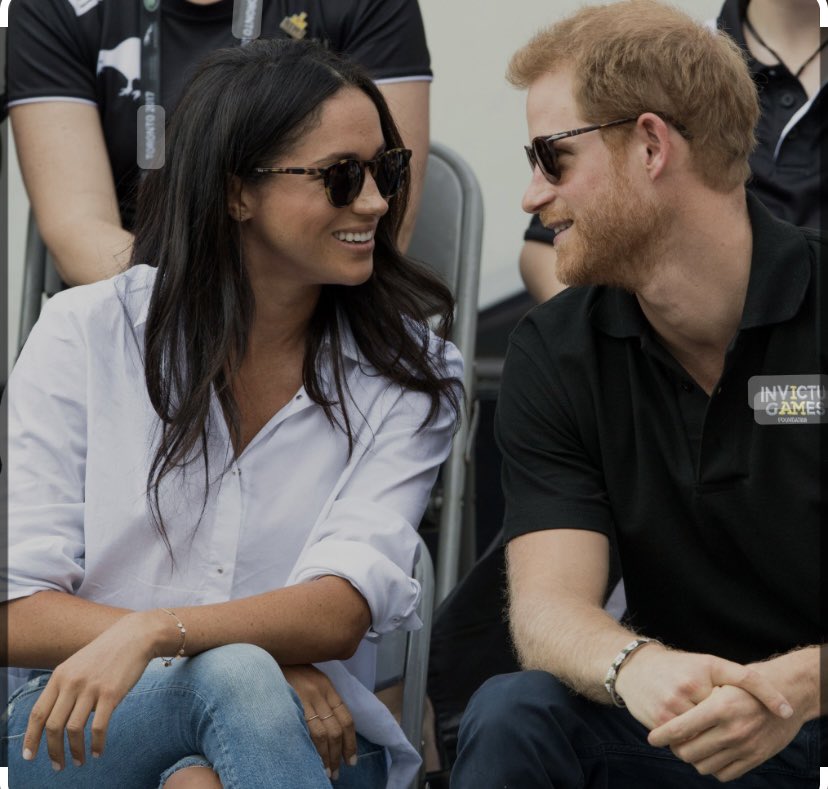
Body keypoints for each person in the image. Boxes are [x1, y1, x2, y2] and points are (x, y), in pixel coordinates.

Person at [1, 37, 461, 789]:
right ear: (235, 193)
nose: (375, 202)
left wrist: (163, 633)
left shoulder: (411, 374)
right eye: (342, 177)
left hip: (316, 734)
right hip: (77, 728)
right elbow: (15, 605)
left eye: (388, 169)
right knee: (241, 678)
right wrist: (248, 660)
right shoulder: (84, 333)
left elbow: (341, 606)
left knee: (200, 781)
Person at [451, 1, 824, 787]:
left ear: (651, 144)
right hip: (686, 733)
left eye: (552, 158)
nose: (530, 197)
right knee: (516, 711)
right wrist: (635, 665)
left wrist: (795, 689)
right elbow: (548, 607)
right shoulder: (556, 350)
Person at [6, 0, 432, 286]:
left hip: (309, 294)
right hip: (142, 294)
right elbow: (77, 230)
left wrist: (272, 316)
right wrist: (201, 307)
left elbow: (382, 203)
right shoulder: (52, 8)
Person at [516, 0, 825, 304]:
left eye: (554, 157)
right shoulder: (663, 59)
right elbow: (550, 242)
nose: (531, 199)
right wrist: (598, 341)